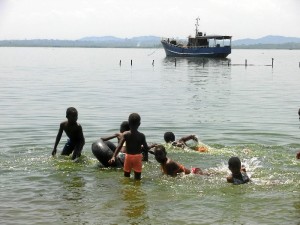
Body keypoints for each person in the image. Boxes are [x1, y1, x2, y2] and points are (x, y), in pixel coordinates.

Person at [108, 113, 150, 180]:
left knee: (126, 176)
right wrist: (146, 158)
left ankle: (127, 189)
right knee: (137, 178)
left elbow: (119, 146)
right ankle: (137, 189)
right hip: (137, 158)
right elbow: (146, 148)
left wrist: (113, 156)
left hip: (128, 157)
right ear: (139, 124)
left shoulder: (125, 134)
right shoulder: (141, 136)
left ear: (129, 123)